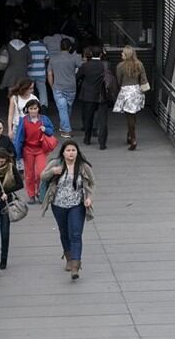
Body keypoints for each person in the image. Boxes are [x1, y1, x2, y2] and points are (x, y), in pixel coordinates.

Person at [40, 140, 94, 280]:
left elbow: (91, 183)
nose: (71, 153)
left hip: (77, 205)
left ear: (77, 152)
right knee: (64, 232)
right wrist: (53, 171)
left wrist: (89, 197)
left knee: (75, 234)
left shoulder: (83, 166)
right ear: (63, 152)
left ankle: (76, 265)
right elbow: (42, 176)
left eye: (73, 150)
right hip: (58, 204)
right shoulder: (56, 163)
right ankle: (69, 257)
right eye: (68, 150)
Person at [13, 99, 56, 204]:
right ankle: (31, 195)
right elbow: (19, 138)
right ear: (27, 109)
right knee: (29, 174)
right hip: (28, 150)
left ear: (38, 109)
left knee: (41, 173)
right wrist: (17, 154)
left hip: (40, 149)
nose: (33, 111)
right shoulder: (23, 120)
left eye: (35, 108)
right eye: (31, 109)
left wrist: (45, 129)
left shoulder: (44, 119)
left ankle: (40, 193)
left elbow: (51, 130)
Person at [113, 45, 148, 151]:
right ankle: (130, 134)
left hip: (126, 91)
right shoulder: (139, 64)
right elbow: (143, 78)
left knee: (129, 116)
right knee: (133, 115)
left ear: (126, 54)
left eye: (123, 53)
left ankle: (133, 139)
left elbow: (118, 80)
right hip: (137, 91)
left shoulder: (120, 66)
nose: (121, 54)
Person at [48, 38, 83, 137]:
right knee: (67, 107)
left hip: (58, 86)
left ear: (60, 47)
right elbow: (81, 67)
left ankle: (67, 130)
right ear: (70, 47)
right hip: (71, 86)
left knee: (63, 108)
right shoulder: (74, 58)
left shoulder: (53, 58)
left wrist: (52, 86)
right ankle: (64, 126)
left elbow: (50, 74)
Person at [76, 45, 108, 149]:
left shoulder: (85, 65)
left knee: (88, 117)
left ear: (90, 54)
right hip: (101, 94)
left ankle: (87, 138)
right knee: (103, 119)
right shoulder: (105, 65)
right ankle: (102, 143)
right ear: (101, 54)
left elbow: (77, 77)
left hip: (88, 94)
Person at [27, 33, 50, 110]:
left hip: (30, 72)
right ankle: (43, 106)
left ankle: (31, 106)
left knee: (30, 90)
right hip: (41, 72)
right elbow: (47, 58)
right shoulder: (43, 46)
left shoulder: (28, 47)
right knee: (42, 90)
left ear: (30, 38)